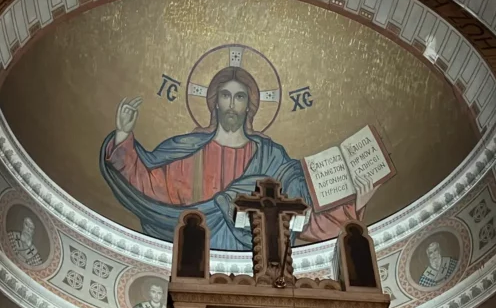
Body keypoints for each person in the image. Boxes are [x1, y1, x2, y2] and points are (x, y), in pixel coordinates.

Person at [99, 66, 376, 250]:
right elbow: (148, 185)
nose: (232, 103)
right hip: (196, 257)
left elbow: (301, 214)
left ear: (249, 106)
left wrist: (353, 207)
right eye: (225, 95)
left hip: (258, 266)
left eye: (240, 97)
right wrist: (123, 136)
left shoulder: (273, 157)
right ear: (215, 102)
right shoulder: (186, 149)